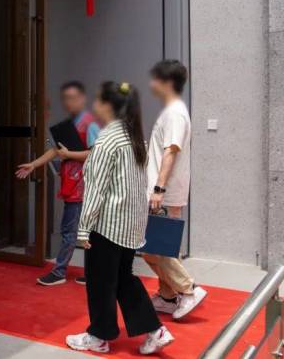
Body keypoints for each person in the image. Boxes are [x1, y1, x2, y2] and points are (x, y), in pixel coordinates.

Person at [66, 81, 173, 355]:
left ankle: (99, 336)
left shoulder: (106, 141)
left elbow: (96, 189)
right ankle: (155, 330)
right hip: (130, 225)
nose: (95, 106)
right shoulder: (134, 137)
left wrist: (83, 229)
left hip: (107, 225)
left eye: (98, 100)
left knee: (100, 282)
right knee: (124, 278)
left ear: (108, 106)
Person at [16, 81, 100, 286]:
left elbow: (96, 154)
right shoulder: (70, 124)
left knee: (72, 231)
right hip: (74, 184)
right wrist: (34, 164)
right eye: (65, 98)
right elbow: (55, 151)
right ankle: (91, 273)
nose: (68, 102)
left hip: (84, 186)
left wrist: (68, 154)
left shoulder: (90, 124)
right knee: (83, 231)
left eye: (73, 97)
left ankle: (60, 271)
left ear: (82, 99)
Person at [143, 59, 207, 320]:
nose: (151, 84)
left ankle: (189, 289)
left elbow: (171, 151)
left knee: (158, 249)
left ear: (167, 82)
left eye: (155, 78)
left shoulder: (175, 113)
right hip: (164, 193)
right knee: (154, 249)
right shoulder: (172, 112)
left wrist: (159, 188)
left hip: (165, 195)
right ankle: (168, 296)